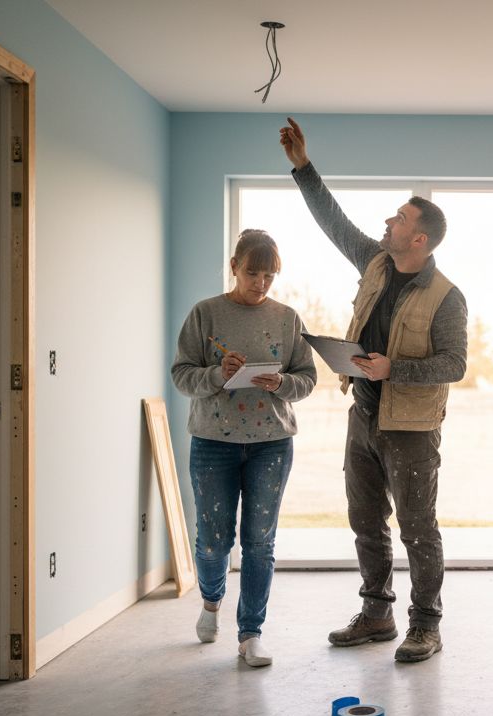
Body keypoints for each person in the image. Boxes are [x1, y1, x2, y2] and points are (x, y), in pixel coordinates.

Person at [279, 116, 468, 663]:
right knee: (365, 522)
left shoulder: (448, 296)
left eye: (399, 218)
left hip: (411, 428)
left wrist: (395, 371)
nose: (388, 222)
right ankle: (377, 613)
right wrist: (303, 168)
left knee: (417, 528)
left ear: (420, 238)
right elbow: (332, 223)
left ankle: (426, 625)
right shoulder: (376, 263)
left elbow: (454, 364)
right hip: (362, 416)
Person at [171, 228, 317, 667]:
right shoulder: (205, 315)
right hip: (213, 441)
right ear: (234, 266)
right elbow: (181, 375)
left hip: (272, 443)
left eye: (270, 275)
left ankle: (250, 634)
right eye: (253, 273)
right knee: (213, 542)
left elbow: (307, 379)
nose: (261, 283)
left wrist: (283, 383)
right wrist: (217, 374)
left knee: (260, 542)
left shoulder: (289, 318)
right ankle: (211, 600)